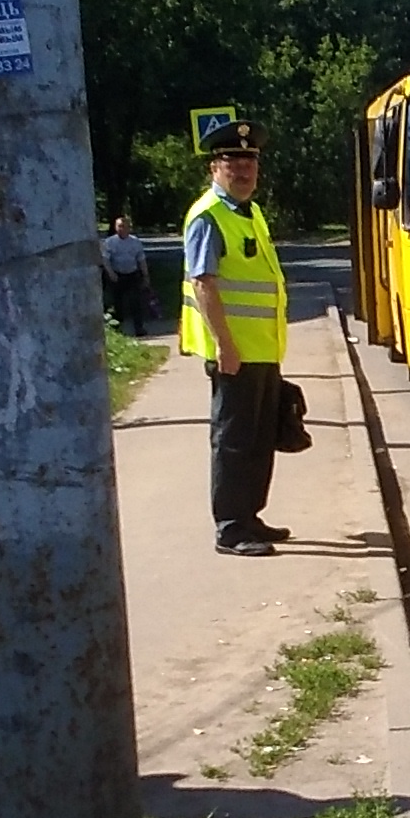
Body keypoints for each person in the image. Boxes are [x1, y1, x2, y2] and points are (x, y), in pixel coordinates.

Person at [180, 120, 289, 556]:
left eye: (249, 162)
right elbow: (204, 282)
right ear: (214, 168)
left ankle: (250, 516)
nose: (243, 170)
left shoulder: (250, 212)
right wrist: (225, 344)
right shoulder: (208, 216)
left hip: (261, 347)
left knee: (260, 438)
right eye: (232, 162)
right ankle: (230, 527)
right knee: (234, 440)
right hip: (234, 351)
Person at [100, 215, 152, 335]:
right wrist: (111, 274)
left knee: (136, 302)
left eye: (124, 226)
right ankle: (117, 330)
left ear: (129, 228)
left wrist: (145, 276)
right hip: (117, 276)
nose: (122, 229)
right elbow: (105, 260)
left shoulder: (135, 242)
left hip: (132, 275)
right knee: (117, 304)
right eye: (119, 226)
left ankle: (139, 328)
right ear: (115, 227)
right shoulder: (110, 242)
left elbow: (141, 260)